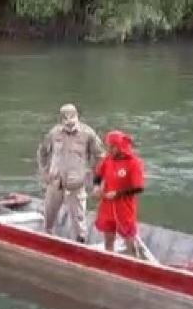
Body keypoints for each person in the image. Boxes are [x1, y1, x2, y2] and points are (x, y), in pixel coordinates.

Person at [37, 104, 105, 243]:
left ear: (77, 117)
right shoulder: (54, 133)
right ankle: (49, 240)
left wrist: (95, 179)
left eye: (72, 118)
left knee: (79, 222)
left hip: (76, 184)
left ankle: (80, 245)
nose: (69, 122)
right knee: (49, 217)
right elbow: (42, 152)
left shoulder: (88, 134)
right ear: (61, 119)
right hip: (55, 182)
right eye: (66, 119)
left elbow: (100, 157)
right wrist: (44, 172)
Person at [92, 130, 146, 258]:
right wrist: (96, 186)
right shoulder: (108, 160)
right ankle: (109, 260)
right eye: (108, 146)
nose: (109, 149)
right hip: (108, 206)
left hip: (124, 207)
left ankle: (135, 262)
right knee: (108, 237)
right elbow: (98, 175)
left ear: (120, 147)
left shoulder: (134, 163)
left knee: (129, 238)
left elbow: (138, 187)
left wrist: (118, 194)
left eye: (112, 147)